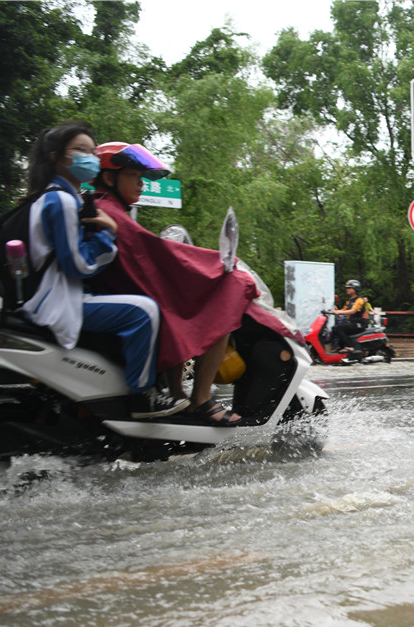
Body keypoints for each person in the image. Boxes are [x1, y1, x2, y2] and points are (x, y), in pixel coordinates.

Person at [87, 142, 268, 425]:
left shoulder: (104, 208)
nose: (142, 183)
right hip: (120, 298)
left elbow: (153, 256)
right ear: (109, 178)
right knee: (224, 305)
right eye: (134, 176)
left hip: (118, 294)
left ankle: (177, 392)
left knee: (178, 309)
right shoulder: (108, 211)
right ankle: (201, 399)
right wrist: (219, 267)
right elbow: (163, 257)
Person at [17, 122, 187, 419]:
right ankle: (143, 396)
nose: (89, 158)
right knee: (144, 311)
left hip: (56, 295)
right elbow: (79, 264)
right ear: (57, 157)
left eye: (92, 152)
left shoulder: (59, 195)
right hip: (59, 301)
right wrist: (106, 235)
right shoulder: (61, 200)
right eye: (80, 151)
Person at [330, 279, 367, 352]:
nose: (347, 289)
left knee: (339, 328)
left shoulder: (360, 300)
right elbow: (344, 310)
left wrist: (336, 312)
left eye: (349, 288)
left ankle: (349, 346)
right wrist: (333, 310)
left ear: (355, 289)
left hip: (359, 324)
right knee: (334, 328)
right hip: (351, 323)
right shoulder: (349, 300)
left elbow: (352, 311)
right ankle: (342, 347)